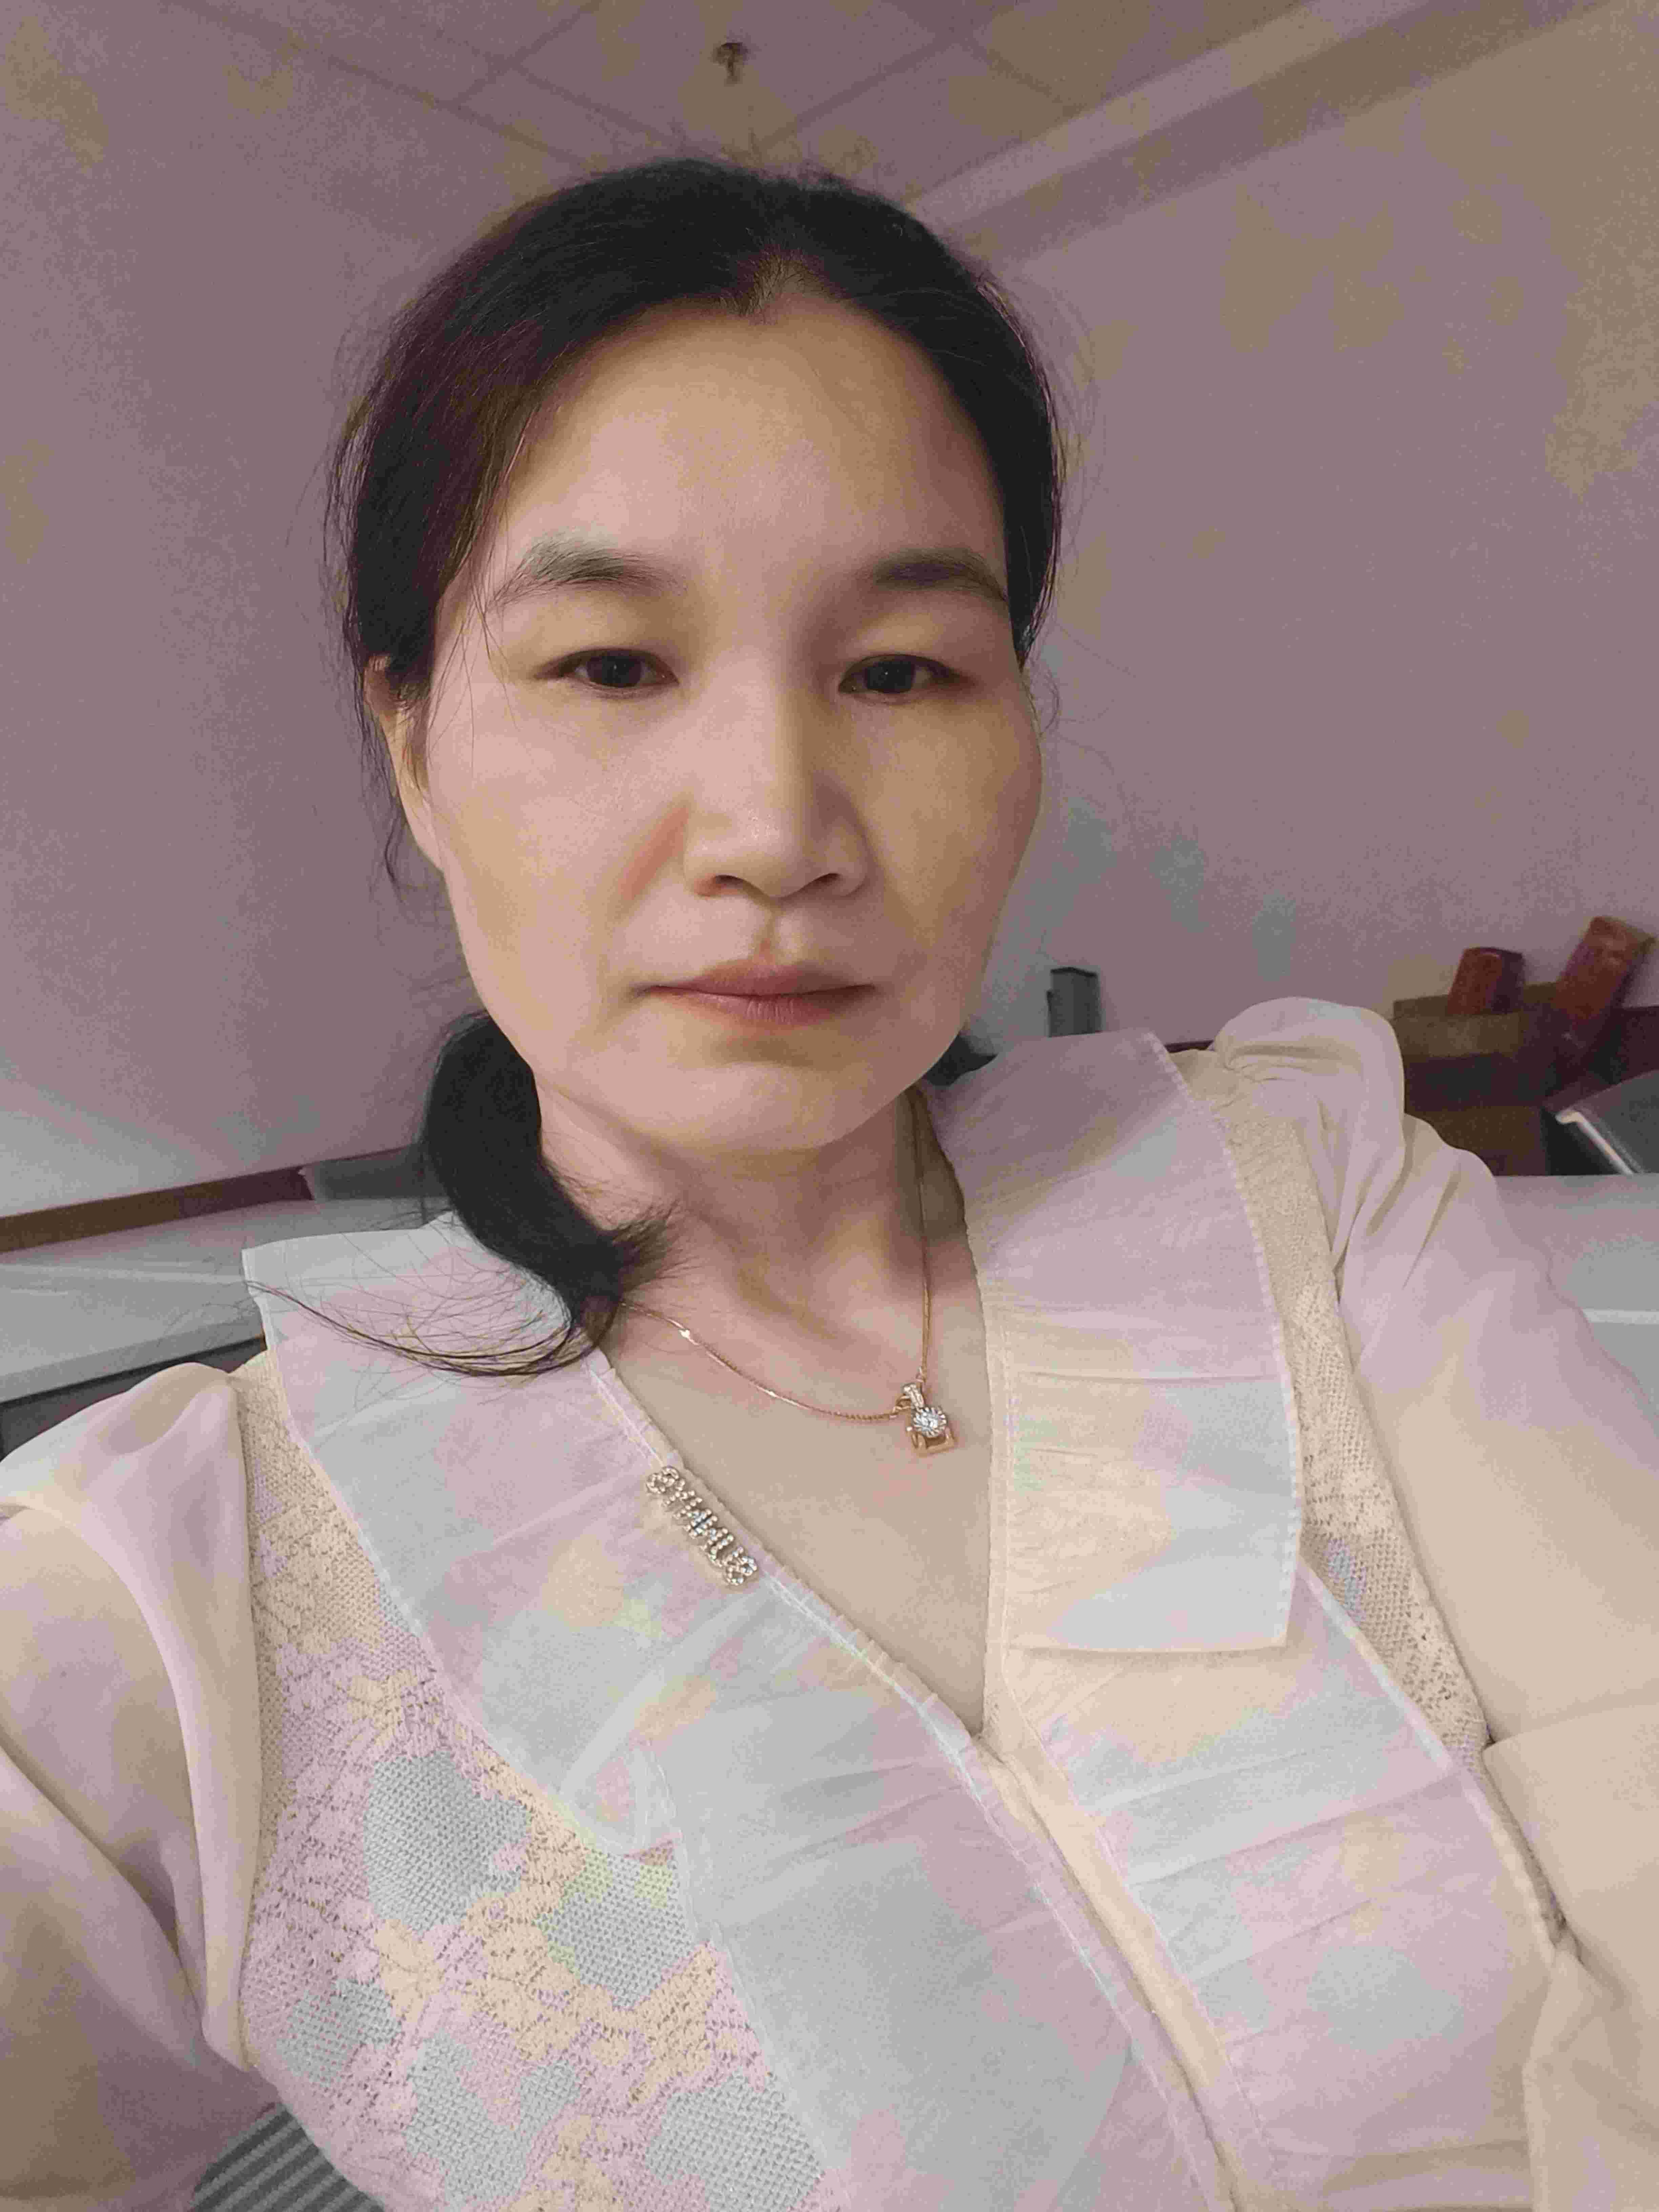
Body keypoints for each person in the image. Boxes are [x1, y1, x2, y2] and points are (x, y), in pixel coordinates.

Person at [4, 152, 1658, 2212]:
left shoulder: (1311, 1195)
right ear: (415, 746)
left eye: (899, 672)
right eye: (611, 667)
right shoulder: (181, 1590)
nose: (777, 826)